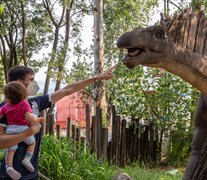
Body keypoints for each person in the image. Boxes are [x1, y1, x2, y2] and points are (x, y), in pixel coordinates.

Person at [0, 65, 114, 179]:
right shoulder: (5, 108)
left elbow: (66, 90)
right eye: (31, 79)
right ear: (19, 83)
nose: (34, 83)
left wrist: (96, 78)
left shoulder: (34, 103)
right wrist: (28, 133)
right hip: (10, 176)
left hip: (31, 174)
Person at [0, 82, 45, 180]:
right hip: (23, 129)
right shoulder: (25, 103)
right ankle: (27, 159)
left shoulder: (5, 106)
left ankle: (9, 167)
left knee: (11, 150)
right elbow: (29, 117)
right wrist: (38, 120)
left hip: (10, 131)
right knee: (32, 143)